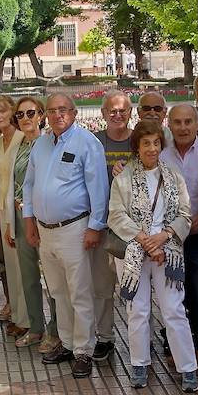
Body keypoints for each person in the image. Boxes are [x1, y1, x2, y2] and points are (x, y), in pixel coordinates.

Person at [21, 92, 109, 378]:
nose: (58, 115)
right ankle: (68, 343)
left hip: (76, 228)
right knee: (57, 291)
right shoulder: (41, 144)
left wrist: (96, 226)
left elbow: (99, 187)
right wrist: (29, 220)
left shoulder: (87, 143)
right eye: (52, 110)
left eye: (64, 109)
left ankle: (84, 350)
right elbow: (29, 185)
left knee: (80, 292)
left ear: (74, 113)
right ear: (46, 114)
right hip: (46, 231)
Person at [108, 121, 198, 392]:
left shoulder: (173, 176)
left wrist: (164, 236)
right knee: (138, 310)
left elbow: (185, 214)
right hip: (136, 250)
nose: (151, 148)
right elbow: (116, 214)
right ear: (136, 146)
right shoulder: (123, 178)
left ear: (161, 144)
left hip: (167, 250)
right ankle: (139, 364)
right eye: (146, 143)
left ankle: (188, 369)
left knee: (173, 309)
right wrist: (144, 239)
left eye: (156, 142)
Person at [160, 103, 198, 372]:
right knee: (173, 294)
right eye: (177, 122)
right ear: (169, 124)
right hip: (169, 236)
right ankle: (174, 345)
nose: (182, 127)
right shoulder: (160, 154)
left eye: (187, 122)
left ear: (197, 124)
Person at [6, 96, 61, 354]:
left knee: (51, 277)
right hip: (19, 217)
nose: (26, 119)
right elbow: (10, 186)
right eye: (20, 115)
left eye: (31, 113)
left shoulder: (50, 144)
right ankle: (36, 327)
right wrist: (10, 221)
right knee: (28, 276)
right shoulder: (17, 146)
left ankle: (57, 329)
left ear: (41, 115)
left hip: (42, 217)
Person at [90, 92, 134, 357]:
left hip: (134, 229)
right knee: (102, 287)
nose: (117, 115)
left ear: (131, 112)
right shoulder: (95, 143)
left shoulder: (139, 142)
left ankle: (141, 337)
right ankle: (105, 337)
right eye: (112, 111)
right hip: (104, 226)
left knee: (136, 289)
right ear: (103, 113)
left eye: (123, 111)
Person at [0, 95, 25, 333]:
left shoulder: (21, 139)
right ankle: (19, 318)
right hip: (4, 210)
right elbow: (2, 182)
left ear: (13, 112)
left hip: (18, 211)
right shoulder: (1, 141)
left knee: (23, 269)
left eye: (2, 111)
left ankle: (28, 320)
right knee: (12, 268)